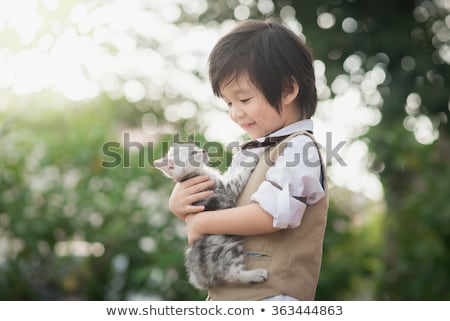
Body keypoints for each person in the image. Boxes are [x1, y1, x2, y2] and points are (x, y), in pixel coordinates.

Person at [168, 18, 328, 301]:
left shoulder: (300, 148)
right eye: (228, 103)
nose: (235, 113)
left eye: (244, 99)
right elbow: (224, 204)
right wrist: (184, 203)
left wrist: (202, 225)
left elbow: (270, 215)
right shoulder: (252, 152)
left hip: (272, 298)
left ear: (287, 90)